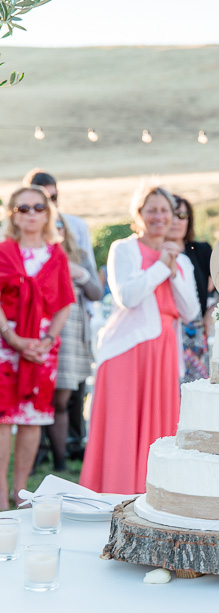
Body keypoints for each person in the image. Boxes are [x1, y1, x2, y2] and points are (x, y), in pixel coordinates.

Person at [79, 186, 199, 494]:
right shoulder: (124, 249)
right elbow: (128, 297)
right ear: (139, 215)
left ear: (174, 216)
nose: (159, 217)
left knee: (158, 434)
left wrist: (172, 269)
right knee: (121, 430)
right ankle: (113, 495)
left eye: (165, 211)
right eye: (152, 210)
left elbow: (190, 311)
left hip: (163, 354)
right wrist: (161, 266)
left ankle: (151, 498)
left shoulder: (181, 261)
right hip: (126, 351)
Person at [0, 187, 74, 509]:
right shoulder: (3, 251)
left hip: (43, 348)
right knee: (3, 418)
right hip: (5, 343)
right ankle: (0, 493)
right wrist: (12, 338)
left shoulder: (56, 255)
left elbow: (64, 303)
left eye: (38, 207)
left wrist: (47, 341)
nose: (31, 213)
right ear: (13, 215)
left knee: (31, 418)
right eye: (23, 208)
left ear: (47, 213)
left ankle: (20, 492)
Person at [23, 169, 96, 461]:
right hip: (33, 323)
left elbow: (95, 288)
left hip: (71, 323)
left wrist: (76, 272)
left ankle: (64, 452)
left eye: (53, 198)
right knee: (36, 392)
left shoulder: (74, 227)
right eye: (42, 199)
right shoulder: (19, 239)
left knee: (67, 394)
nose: (49, 204)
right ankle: (37, 451)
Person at [48, 216, 103, 472]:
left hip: (75, 334)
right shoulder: (38, 255)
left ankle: (62, 458)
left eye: (60, 224)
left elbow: (97, 293)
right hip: (48, 331)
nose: (56, 228)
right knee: (53, 398)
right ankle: (53, 456)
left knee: (67, 395)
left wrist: (78, 272)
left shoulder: (78, 255)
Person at [166, 195, 213, 383]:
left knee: (194, 391)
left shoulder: (200, 250)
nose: (177, 221)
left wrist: (211, 311)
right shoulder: (155, 252)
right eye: (173, 215)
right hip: (166, 330)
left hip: (195, 330)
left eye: (183, 215)